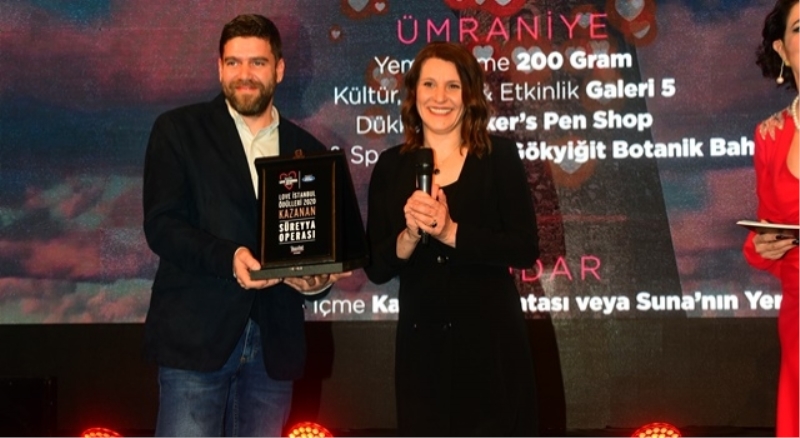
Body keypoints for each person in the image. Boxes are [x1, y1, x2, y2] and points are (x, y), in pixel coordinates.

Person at [142, 14, 349, 437]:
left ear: (279, 69)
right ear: (219, 68)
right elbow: (162, 225)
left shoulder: (308, 150)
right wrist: (230, 257)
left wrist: (315, 282)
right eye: (234, 62)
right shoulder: (179, 130)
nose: (245, 74)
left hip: (273, 347)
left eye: (257, 62)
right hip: (195, 342)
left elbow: (318, 249)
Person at [364, 41, 540, 436]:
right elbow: (375, 267)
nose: (439, 97)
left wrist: (450, 232)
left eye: (452, 86)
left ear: (469, 95)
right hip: (421, 354)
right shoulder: (391, 166)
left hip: (491, 347)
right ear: (414, 93)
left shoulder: (498, 157)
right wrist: (410, 235)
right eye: (429, 84)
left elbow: (524, 248)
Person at [744, 1, 799, 436]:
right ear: (782, 50)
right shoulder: (770, 135)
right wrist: (764, 245)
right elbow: (766, 228)